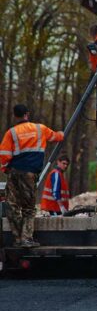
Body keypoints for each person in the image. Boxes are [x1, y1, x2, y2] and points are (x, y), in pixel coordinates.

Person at [0, 105, 64, 247]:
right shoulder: (40, 129)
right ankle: (26, 239)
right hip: (29, 173)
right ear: (27, 114)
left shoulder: (11, 133)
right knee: (28, 208)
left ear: (15, 116)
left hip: (14, 172)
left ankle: (18, 239)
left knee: (12, 206)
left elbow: (4, 155)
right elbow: (56, 136)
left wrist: (5, 168)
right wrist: (62, 134)